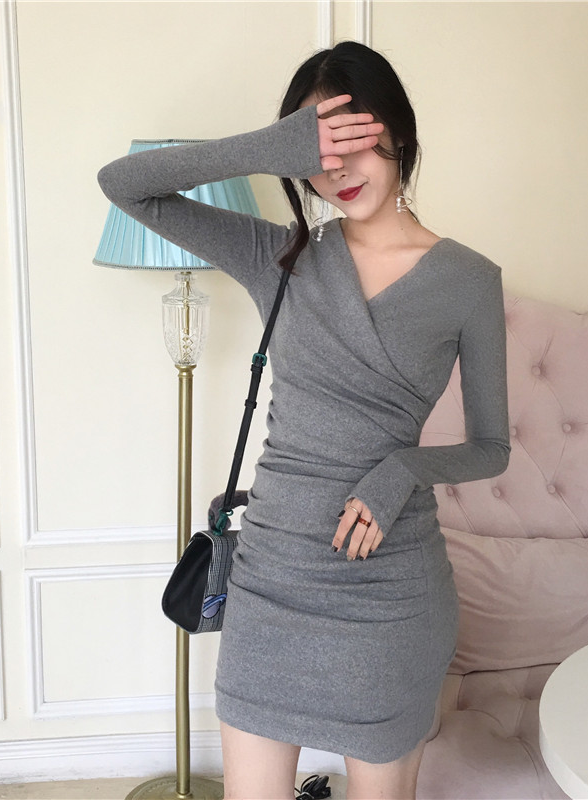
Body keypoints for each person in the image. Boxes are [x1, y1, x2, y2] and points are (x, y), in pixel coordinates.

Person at [98, 40, 510, 800]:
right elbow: (123, 185)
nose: (339, 169)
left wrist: (403, 469)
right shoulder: (278, 256)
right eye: (320, 151)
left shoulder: (470, 280)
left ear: (399, 134)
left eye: (356, 140)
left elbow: (492, 447)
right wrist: (269, 149)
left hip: (389, 591)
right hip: (272, 581)